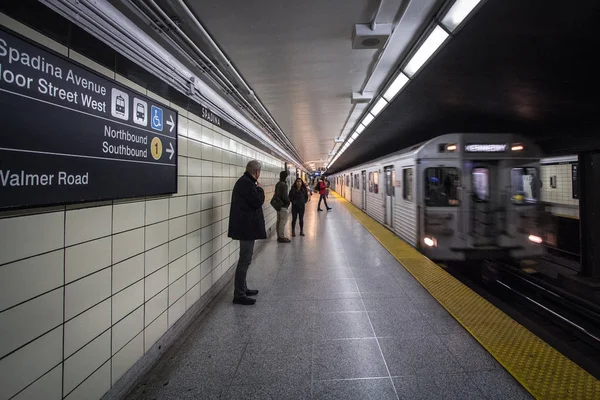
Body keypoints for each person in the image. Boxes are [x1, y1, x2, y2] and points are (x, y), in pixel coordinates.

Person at [228, 160, 266, 305]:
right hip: (245, 229)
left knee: (246, 260)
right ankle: (239, 294)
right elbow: (257, 201)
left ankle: (243, 288)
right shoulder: (246, 183)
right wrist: (260, 190)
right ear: (256, 172)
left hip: (246, 228)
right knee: (244, 260)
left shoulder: (246, 182)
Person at [275, 170, 291, 242]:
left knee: (278, 221)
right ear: (286, 177)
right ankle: (281, 237)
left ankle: (279, 236)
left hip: (278, 205)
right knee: (282, 222)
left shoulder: (278, 184)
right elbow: (284, 196)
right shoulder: (284, 185)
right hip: (283, 206)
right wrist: (288, 202)